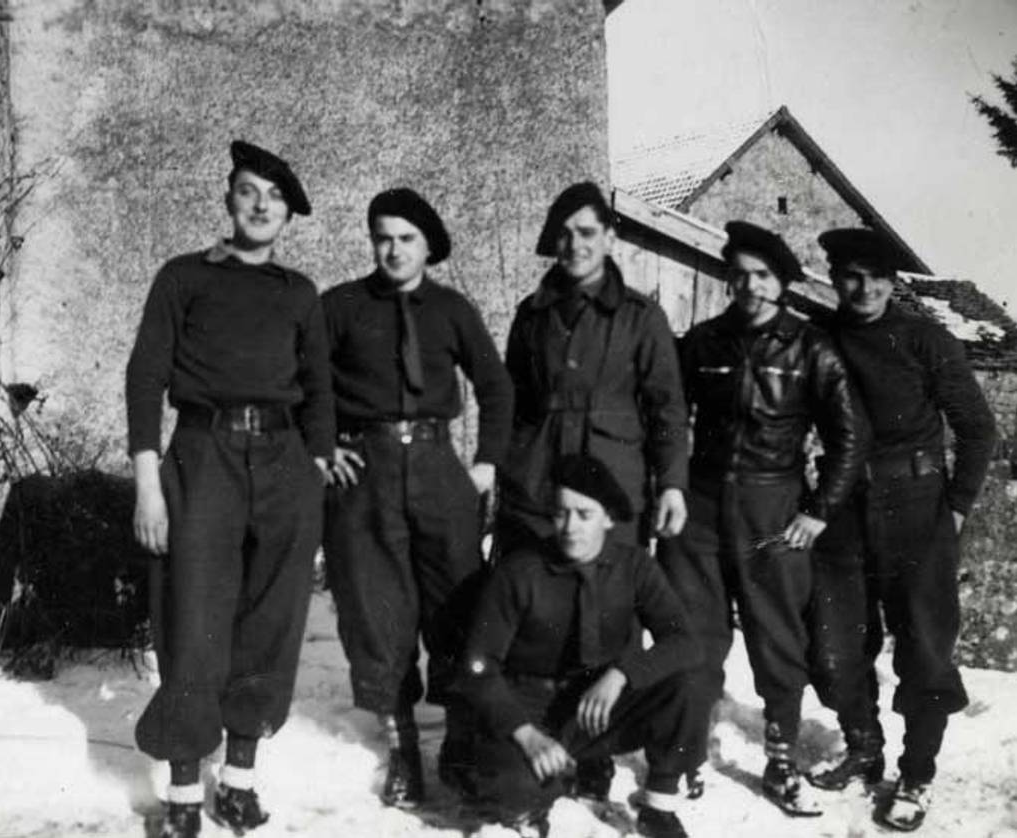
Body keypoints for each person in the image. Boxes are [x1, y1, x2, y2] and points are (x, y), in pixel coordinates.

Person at [125, 141, 333, 838]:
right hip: (202, 455)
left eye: (274, 197)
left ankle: (238, 780)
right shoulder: (183, 278)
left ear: (288, 217)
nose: (261, 204)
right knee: (194, 618)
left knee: (270, 620)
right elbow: (144, 379)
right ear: (228, 200)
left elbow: (321, 392)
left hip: (283, 462)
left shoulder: (299, 294)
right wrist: (147, 484)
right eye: (249, 191)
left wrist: (318, 466)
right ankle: (185, 790)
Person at [657, 221, 867, 816]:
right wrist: (666, 486)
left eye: (762, 276)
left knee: (777, 638)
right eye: (740, 274)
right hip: (699, 506)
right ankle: (685, 751)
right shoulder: (702, 342)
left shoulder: (812, 348)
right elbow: (668, 415)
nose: (749, 285)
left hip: (772, 506)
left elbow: (850, 438)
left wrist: (819, 512)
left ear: (781, 284)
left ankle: (780, 761)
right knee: (693, 635)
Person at [320, 187, 514, 807]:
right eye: (383, 237)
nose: (393, 249)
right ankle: (403, 747)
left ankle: (459, 743)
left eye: (406, 238)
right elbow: (304, 384)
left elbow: (495, 386)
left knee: (457, 602)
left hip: (437, 468)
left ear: (427, 245)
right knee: (379, 611)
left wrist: (485, 464)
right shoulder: (341, 307)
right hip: (366, 473)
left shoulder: (452, 309)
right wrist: (322, 447)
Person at [807, 228, 996, 832]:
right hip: (839, 509)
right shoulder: (819, 340)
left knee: (925, 648)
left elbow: (977, 429)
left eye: (875, 277)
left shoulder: (925, 340)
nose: (862, 288)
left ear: (893, 282)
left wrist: (957, 507)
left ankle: (917, 773)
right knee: (834, 645)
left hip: (916, 508)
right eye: (850, 276)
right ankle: (863, 749)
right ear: (834, 279)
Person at [459, 454, 703, 838]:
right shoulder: (520, 571)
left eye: (584, 515)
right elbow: (477, 666)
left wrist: (623, 674)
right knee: (514, 796)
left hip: (594, 705)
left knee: (688, 681)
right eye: (561, 513)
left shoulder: (634, 566)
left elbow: (685, 641)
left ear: (608, 519)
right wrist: (526, 735)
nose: (570, 527)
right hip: (528, 709)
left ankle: (658, 807)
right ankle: (536, 795)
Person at [498, 182, 689, 553]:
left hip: (613, 488)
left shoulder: (642, 319)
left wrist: (671, 485)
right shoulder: (531, 315)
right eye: (564, 235)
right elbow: (512, 402)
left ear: (609, 238)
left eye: (586, 233)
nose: (575, 245)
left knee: (610, 599)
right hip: (537, 489)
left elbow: (667, 409)